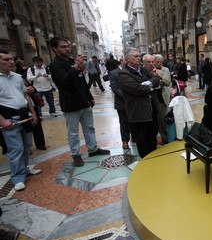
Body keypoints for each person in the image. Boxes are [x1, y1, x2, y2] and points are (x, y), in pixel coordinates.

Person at [49, 37, 110, 167]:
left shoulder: (71, 61)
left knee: (89, 127)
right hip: (70, 103)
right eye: (63, 46)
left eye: (67, 46)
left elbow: (82, 81)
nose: (67, 48)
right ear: (54, 48)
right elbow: (64, 82)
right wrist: (76, 66)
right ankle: (76, 154)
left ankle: (93, 149)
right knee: (73, 131)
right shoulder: (55, 65)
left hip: (84, 101)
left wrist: (89, 97)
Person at [0, 49, 40, 191]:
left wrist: (33, 113)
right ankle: (17, 177)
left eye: (11, 59)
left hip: (25, 116)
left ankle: (24, 169)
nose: (11, 61)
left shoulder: (17, 77)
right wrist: (2, 121)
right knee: (15, 149)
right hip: (10, 119)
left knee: (27, 145)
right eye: (6, 59)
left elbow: (26, 96)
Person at [118, 49, 161, 158]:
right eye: (135, 56)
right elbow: (137, 89)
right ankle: (146, 162)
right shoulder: (123, 74)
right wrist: (150, 86)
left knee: (152, 135)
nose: (138, 58)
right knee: (142, 139)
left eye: (139, 56)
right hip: (139, 112)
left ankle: (153, 158)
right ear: (127, 59)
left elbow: (156, 79)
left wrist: (146, 84)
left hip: (152, 110)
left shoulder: (142, 70)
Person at [109, 56, 132, 150]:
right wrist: (127, 97)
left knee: (134, 120)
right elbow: (115, 88)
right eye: (125, 60)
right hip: (122, 102)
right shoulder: (113, 73)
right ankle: (125, 141)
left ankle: (135, 137)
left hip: (133, 102)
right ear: (121, 61)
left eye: (128, 60)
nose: (127, 62)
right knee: (124, 122)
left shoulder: (131, 71)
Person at [150, 54, 172, 144]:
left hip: (163, 97)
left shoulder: (165, 69)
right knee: (154, 119)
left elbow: (167, 82)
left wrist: (159, 76)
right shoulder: (149, 69)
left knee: (163, 119)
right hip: (153, 97)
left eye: (161, 62)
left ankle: (165, 137)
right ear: (154, 61)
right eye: (157, 62)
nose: (159, 63)